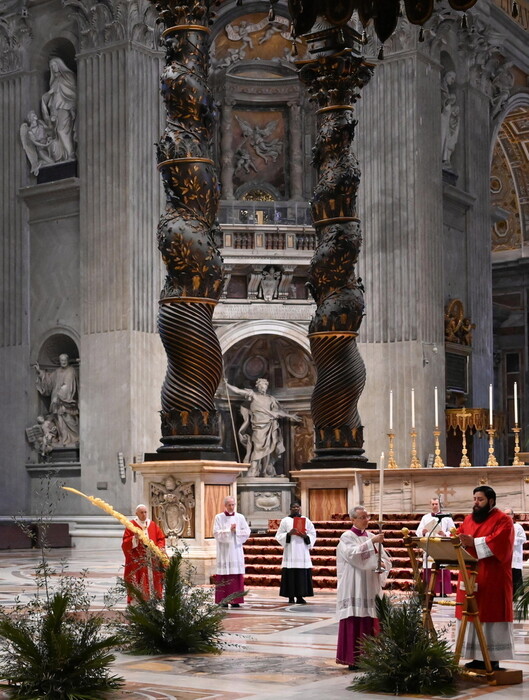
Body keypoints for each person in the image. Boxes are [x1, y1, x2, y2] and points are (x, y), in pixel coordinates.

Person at [456, 486, 514, 670]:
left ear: (491, 501)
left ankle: (492, 657)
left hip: (492, 576)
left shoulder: (503, 520)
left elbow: (500, 543)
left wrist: (474, 542)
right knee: (471, 614)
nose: (476, 502)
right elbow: (459, 536)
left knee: (489, 613)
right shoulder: (468, 519)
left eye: (479, 499)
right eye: (474, 498)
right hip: (470, 574)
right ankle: (475, 656)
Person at [336, 506, 392, 670]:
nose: (366, 520)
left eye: (367, 517)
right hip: (354, 582)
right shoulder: (346, 537)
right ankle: (353, 658)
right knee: (355, 616)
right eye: (362, 517)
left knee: (370, 616)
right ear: (353, 520)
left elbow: (384, 557)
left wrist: (383, 563)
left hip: (370, 581)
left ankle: (371, 656)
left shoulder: (372, 536)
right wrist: (371, 543)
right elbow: (352, 556)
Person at [227, 378, 301, 477]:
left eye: (265, 385)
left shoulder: (271, 399)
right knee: (258, 447)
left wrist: (290, 416)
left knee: (269, 449)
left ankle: (266, 471)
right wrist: (226, 384)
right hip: (258, 426)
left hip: (270, 425)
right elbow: (238, 391)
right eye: (261, 385)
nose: (263, 387)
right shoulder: (253, 395)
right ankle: (253, 469)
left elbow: (278, 412)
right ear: (257, 386)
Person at [122, 504, 166, 604]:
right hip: (138, 560)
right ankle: (138, 602)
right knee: (140, 579)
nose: (144, 514)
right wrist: (134, 538)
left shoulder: (152, 524)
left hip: (152, 559)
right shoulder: (131, 525)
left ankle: (154, 599)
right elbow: (125, 543)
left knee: (153, 579)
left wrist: (160, 548)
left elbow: (160, 538)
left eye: (145, 512)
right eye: (141, 512)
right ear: (136, 513)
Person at [213, 496, 251, 607]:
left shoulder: (240, 517)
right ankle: (223, 600)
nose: (231, 507)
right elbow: (216, 533)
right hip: (224, 551)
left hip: (235, 549)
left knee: (236, 575)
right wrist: (229, 531)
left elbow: (247, 532)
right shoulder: (219, 517)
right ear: (225, 505)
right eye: (229, 505)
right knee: (224, 575)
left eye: (233, 504)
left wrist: (237, 531)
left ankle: (236, 601)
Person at [275, 502, 316, 604]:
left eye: (297, 507)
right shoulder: (285, 521)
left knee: (301, 575)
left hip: (302, 551)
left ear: (300, 508)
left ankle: (300, 596)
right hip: (290, 551)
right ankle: (290, 596)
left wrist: (305, 536)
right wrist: (289, 534)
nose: (295, 509)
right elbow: (279, 535)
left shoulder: (306, 520)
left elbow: (313, 534)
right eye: (293, 507)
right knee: (291, 574)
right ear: (290, 509)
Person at [35, 353, 79, 447]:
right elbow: (49, 380)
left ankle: (73, 438)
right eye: (61, 360)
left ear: (67, 360)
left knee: (68, 419)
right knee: (59, 421)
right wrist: (40, 372)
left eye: (65, 360)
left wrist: (58, 397)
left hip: (65, 401)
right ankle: (63, 439)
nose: (63, 362)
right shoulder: (57, 371)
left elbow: (68, 386)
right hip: (55, 401)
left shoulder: (71, 371)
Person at [416, 497, 455, 596]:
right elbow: (418, 531)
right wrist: (423, 532)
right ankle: (430, 589)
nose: (434, 506)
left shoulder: (446, 517)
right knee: (429, 568)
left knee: (442, 569)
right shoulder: (425, 517)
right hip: (429, 546)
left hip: (442, 545)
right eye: (432, 504)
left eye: (436, 504)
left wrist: (444, 533)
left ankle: (443, 591)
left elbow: (453, 531)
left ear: (439, 505)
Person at [41, 57, 77, 161]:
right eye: (51, 66)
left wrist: (72, 106)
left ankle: (71, 154)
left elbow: (73, 92)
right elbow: (52, 96)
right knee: (57, 132)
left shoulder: (68, 76)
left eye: (54, 65)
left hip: (65, 107)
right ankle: (64, 156)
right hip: (55, 109)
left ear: (59, 64)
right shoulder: (54, 80)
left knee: (62, 131)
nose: (53, 67)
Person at [504, 507, 527, 598]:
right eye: (505, 514)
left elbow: (523, 539)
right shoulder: (501, 526)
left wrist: (511, 540)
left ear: (512, 515)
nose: (506, 516)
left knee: (515, 576)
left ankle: (516, 595)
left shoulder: (518, 527)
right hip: (505, 556)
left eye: (508, 514)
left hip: (514, 555)